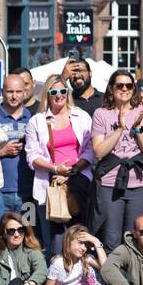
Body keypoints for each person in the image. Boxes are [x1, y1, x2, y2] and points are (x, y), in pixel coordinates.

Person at [25, 75, 95, 259]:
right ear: (47, 94)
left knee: (80, 234)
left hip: (79, 180)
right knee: (56, 238)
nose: (59, 95)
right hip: (51, 182)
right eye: (53, 92)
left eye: (63, 91)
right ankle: (57, 282)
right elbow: (32, 156)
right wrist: (55, 169)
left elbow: (90, 150)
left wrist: (72, 171)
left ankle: (82, 280)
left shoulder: (81, 116)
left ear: (68, 93)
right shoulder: (37, 121)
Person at [89, 70, 143, 251]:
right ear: (111, 89)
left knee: (135, 238)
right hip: (110, 183)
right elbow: (99, 152)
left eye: (129, 85)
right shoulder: (101, 114)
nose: (124, 89)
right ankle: (111, 278)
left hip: (138, 183)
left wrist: (137, 129)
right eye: (120, 85)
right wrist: (119, 128)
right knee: (111, 238)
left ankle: (133, 279)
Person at [0, 73, 35, 252]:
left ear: (25, 92)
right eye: (10, 91)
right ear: (2, 92)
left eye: (18, 91)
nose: (14, 96)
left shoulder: (33, 117)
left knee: (28, 236)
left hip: (27, 193)